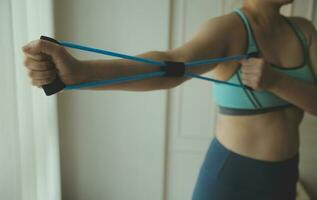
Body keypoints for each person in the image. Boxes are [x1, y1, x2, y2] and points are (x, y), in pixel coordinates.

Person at [22, 0, 317, 199]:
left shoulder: (305, 31)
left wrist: (277, 81)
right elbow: (171, 65)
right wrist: (79, 73)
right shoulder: (231, 28)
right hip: (232, 179)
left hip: (283, 176)